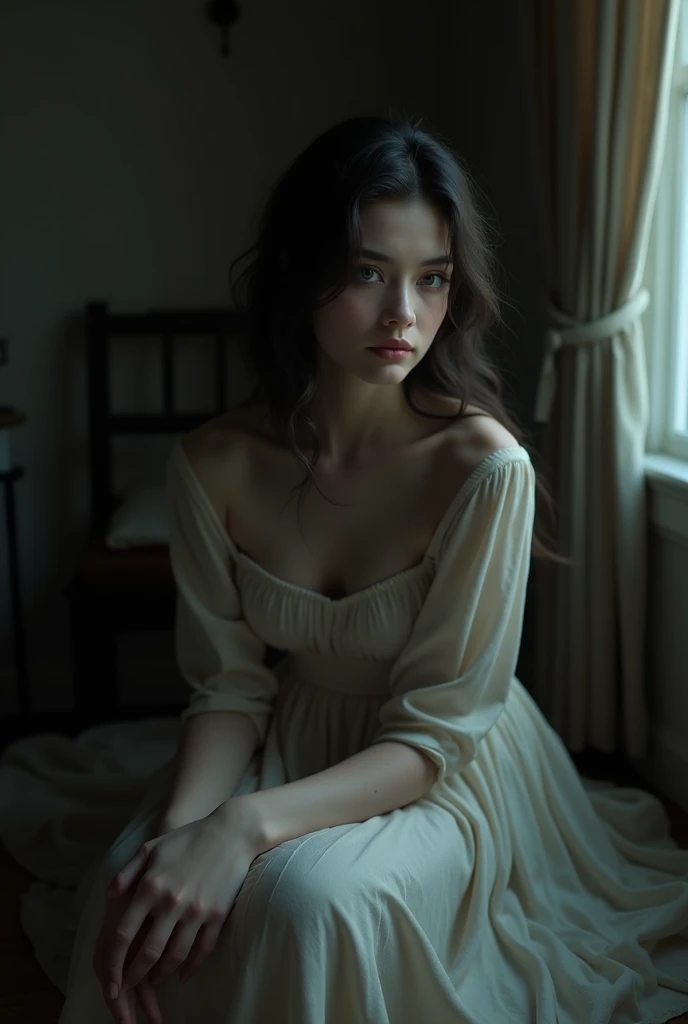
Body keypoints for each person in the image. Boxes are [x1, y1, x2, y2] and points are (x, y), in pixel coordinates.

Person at [43, 115, 688, 1022]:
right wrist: (184, 835)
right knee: (133, 881)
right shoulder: (214, 465)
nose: (404, 317)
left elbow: (435, 734)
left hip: (446, 762)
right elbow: (228, 689)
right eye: (368, 273)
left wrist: (244, 826)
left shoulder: (482, 467)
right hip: (296, 728)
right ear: (301, 273)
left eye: (432, 280)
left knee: (310, 905)